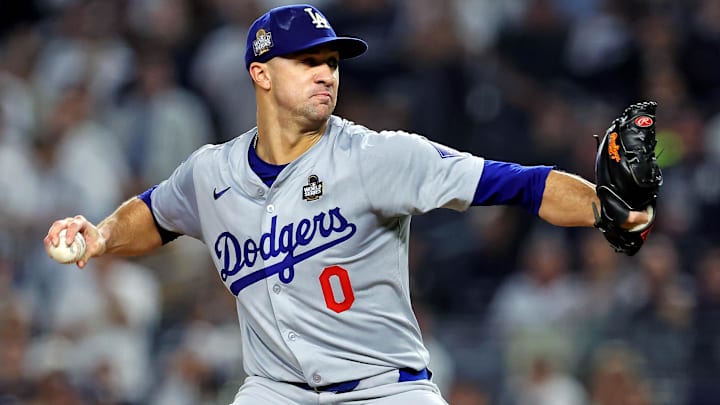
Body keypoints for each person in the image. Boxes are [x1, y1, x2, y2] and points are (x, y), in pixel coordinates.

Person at [44, 4, 651, 404]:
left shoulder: (375, 156)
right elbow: (153, 214)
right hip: (276, 390)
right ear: (260, 74)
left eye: (332, 62)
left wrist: (604, 205)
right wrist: (100, 236)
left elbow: (521, 183)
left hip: (385, 391)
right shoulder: (213, 172)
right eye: (308, 60)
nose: (326, 74)